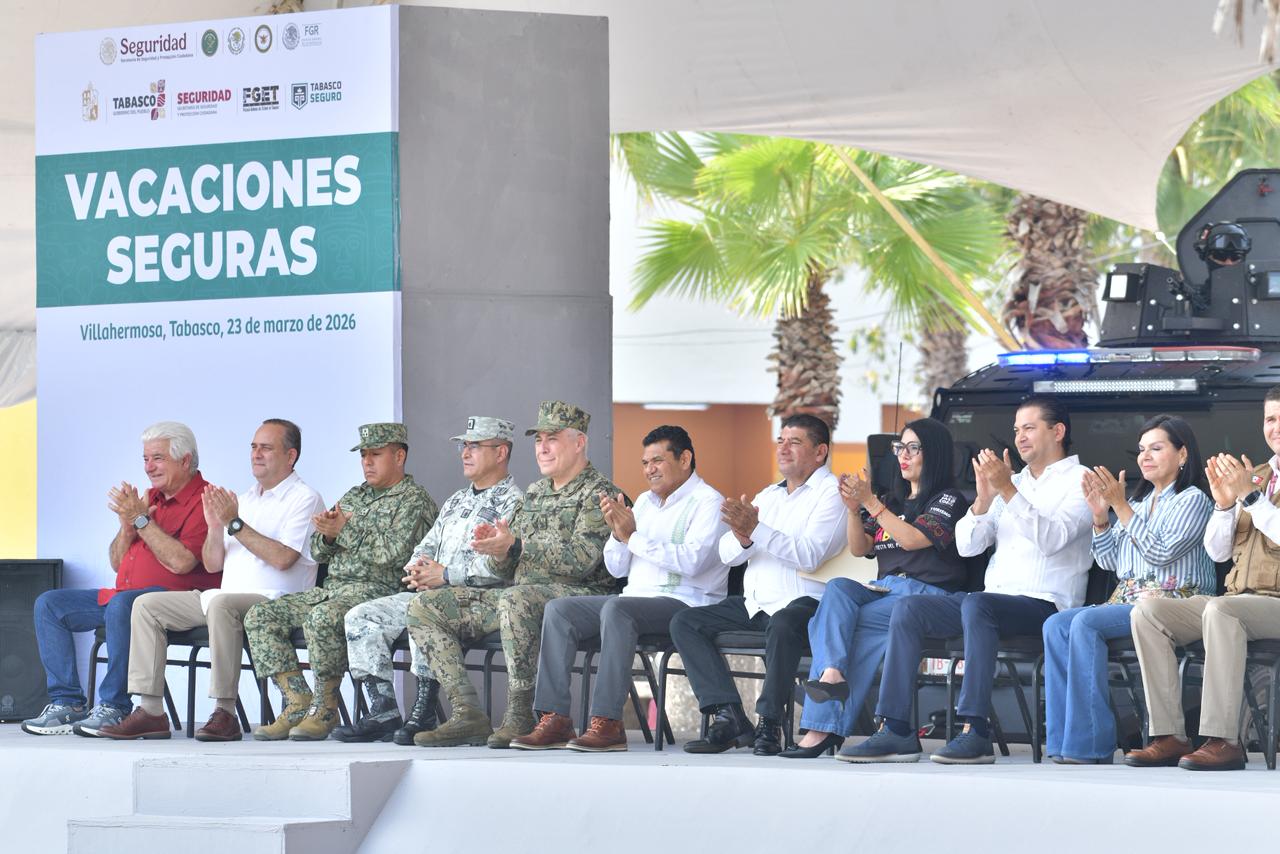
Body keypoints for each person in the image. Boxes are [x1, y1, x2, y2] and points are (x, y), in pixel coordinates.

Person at [839, 395, 1092, 764]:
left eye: (1029, 428)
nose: (1020, 437)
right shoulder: (1013, 481)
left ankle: (974, 729)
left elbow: (1052, 541)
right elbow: (969, 545)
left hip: (1045, 604)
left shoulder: (1081, 481)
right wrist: (983, 501)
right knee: (910, 609)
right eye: (1017, 429)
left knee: (978, 603)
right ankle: (895, 729)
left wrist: (1007, 490)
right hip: (991, 603)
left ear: (1058, 431)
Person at [407, 401, 623, 749]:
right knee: (425, 606)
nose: (543, 447)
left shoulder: (600, 494)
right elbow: (506, 566)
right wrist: (497, 551)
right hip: (521, 598)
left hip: (578, 599)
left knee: (515, 599)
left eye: (552, 438)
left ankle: (521, 712)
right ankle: (467, 713)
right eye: (538, 440)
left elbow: (584, 559)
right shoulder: (535, 493)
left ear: (579, 442)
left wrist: (518, 546)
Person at [96, 419, 326, 741]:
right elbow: (212, 561)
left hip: (277, 601)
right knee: (146, 606)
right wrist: (216, 529)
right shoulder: (243, 499)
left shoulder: (304, 498)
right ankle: (150, 710)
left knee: (221, 603)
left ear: (290, 456)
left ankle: (224, 712)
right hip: (224, 597)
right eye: (253, 447)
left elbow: (283, 559)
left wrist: (233, 523)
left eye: (266, 448)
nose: (256, 454)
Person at [511, 425, 728, 752]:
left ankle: (608, 723)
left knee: (617, 608)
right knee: (560, 610)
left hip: (685, 604)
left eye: (658, 460)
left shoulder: (709, 502)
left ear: (685, 459)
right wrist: (617, 534)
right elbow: (616, 568)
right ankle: (555, 718)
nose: (649, 469)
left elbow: (693, 562)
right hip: (634, 603)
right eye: (645, 463)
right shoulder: (642, 502)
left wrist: (633, 537)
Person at [785, 417, 970, 759]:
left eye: (914, 448)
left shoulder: (949, 500)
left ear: (937, 455)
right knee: (837, 590)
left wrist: (871, 503)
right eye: (900, 447)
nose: (904, 455)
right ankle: (832, 674)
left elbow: (914, 539)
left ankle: (820, 728)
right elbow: (860, 547)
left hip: (926, 595)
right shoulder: (893, 502)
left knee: (832, 623)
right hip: (885, 589)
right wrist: (854, 511)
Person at [333, 416, 522, 744]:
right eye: (464, 445)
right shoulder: (455, 501)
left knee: (427, 607)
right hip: (436, 590)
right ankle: (383, 711)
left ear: (501, 452)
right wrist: (417, 570)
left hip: (481, 600)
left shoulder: (513, 502)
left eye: (475, 445)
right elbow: (426, 546)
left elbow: (499, 568)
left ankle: (424, 708)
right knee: (360, 616)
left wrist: (446, 575)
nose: (465, 452)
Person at [244, 422, 437, 741]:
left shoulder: (413, 500)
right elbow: (318, 550)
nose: (367, 463)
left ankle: (325, 707)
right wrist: (330, 537)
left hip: (378, 596)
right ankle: (296, 701)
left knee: (323, 618)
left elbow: (391, 554)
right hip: (333, 591)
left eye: (376, 454)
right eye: (363, 456)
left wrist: (343, 532)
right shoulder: (355, 495)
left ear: (399, 456)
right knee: (260, 616)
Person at [669, 413, 848, 756]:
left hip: (806, 602)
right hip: (756, 604)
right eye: (780, 440)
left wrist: (757, 530)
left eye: (795, 442)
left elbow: (810, 555)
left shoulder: (831, 493)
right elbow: (727, 555)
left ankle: (770, 722)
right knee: (685, 621)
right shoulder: (769, 495)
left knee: (783, 625)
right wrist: (742, 537)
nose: (783, 448)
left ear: (820, 451)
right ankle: (729, 715)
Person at [22, 421, 215, 737]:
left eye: (158, 458)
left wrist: (141, 520)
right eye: (145, 459)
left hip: (174, 602)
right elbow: (116, 562)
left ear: (184, 460)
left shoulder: (204, 499)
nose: (149, 467)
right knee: (50, 604)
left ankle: (114, 706)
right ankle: (67, 703)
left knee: (124, 604)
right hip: (124, 599)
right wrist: (128, 526)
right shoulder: (149, 498)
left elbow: (181, 563)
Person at [1042, 414, 1214, 764]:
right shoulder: (1137, 503)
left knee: (1085, 624)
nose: (1145, 456)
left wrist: (1119, 506)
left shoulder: (1193, 499)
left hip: (1174, 603)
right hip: (1129, 602)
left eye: (1156, 448)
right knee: (1056, 624)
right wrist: (1101, 517)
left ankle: (1090, 743)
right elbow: (1111, 563)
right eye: (1141, 450)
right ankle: (1063, 741)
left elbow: (1161, 553)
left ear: (1182, 455)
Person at [1126, 386, 1280, 771]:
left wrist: (1250, 499)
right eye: (1270, 418)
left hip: (1272, 603)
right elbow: (1218, 552)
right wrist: (1225, 505)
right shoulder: (1255, 476)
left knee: (1223, 612)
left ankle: (1223, 739)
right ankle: (1169, 735)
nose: (1275, 427)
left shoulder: (1253, 487)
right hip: (1239, 598)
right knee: (1148, 613)